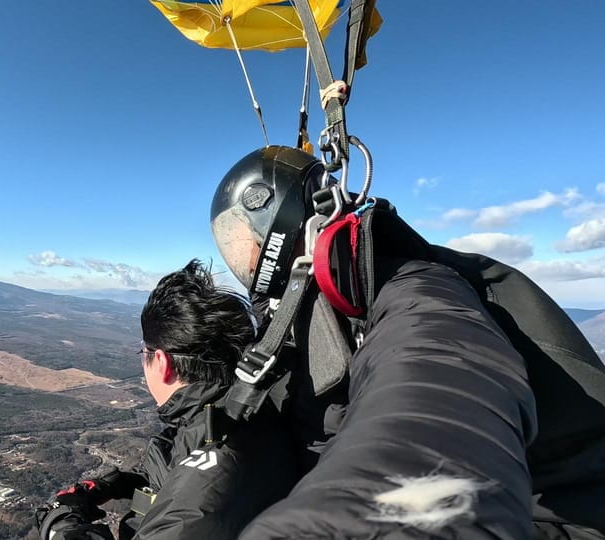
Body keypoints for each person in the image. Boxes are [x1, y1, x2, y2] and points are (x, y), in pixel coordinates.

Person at [209, 145, 605, 538]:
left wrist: (374, 512)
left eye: (240, 237)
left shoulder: (414, 286)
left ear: (276, 220)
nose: (244, 257)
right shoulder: (316, 300)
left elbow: (440, 372)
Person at [35, 260, 298, 540]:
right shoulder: (235, 418)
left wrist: (60, 524)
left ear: (162, 362)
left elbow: (190, 498)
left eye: (144, 353)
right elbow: (179, 474)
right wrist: (118, 484)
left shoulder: (205, 487)